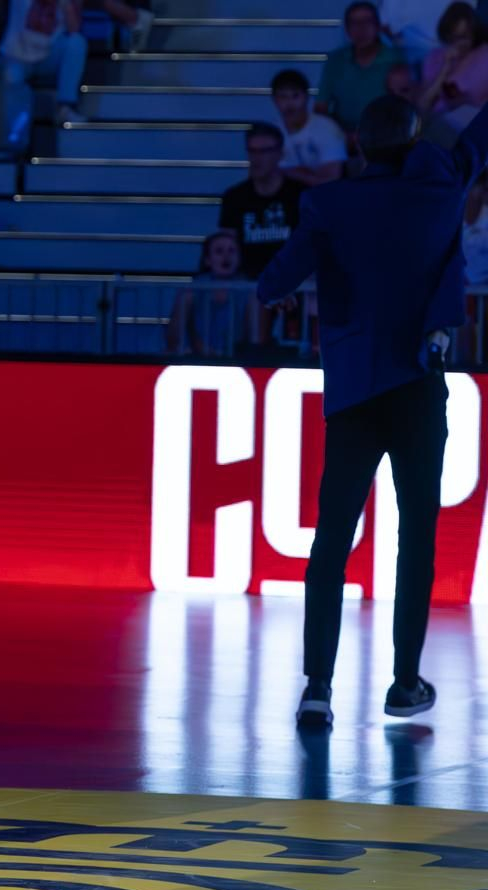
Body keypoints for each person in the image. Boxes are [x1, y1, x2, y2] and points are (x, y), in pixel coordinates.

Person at [257, 95, 488, 726]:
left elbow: (276, 280)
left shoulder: (328, 205)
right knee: (416, 537)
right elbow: (477, 140)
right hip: (418, 387)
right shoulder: (440, 186)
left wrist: (273, 292)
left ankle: (318, 688)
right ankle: (404, 682)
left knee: (331, 539)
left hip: (355, 394)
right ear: (414, 145)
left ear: (359, 144)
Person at [218, 124, 307, 277]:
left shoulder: (301, 195)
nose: (256, 158)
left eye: (264, 151)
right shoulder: (234, 197)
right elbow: (228, 247)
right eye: (252, 151)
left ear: (280, 153)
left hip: (293, 282)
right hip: (247, 285)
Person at [320, 4, 408, 137]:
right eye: (354, 23)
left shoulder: (396, 59)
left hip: (384, 138)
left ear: (378, 27)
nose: (361, 28)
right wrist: (340, 136)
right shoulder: (335, 61)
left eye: (367, 21)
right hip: (342, 138)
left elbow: (404, 110)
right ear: (347, 29)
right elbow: (320, 108)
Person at [0, 0, 88, 126]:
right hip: (17, 56)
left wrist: (67, 6)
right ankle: (14, 127)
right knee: (10, 75)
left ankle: (65, 107)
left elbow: (74, 29)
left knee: (77, 43)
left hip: (48, 55)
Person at [165, 230, 255, 356]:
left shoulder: (249, 290)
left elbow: (252, 336)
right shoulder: (193, 288)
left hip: (236, 360)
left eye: (231, 251)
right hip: (196, 358)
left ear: (239, 258)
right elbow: (174, 334)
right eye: (219, 251)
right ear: (207, 259)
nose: (226, 257)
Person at [271, 69, 348, 185]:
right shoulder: (271, 134)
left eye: (295, 96)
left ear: (306, 97)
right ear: (275, 100)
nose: (289, 104)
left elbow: (332, 180)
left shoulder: (328, 129)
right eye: (283, 96)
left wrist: (291, 173)